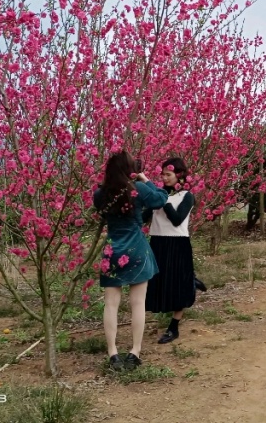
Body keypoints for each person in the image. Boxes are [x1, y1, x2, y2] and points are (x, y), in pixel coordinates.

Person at [94, 151, 168, 371]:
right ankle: (135, 351)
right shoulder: (138, 189)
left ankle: (113, 353)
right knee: (138, 304)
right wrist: (146, 179)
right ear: (130, 169)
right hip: (136, 249)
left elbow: (103, 212)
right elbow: (161, 199)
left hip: (112, 251)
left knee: (110, 304)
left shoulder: (100, 193)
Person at [144, 157, 197, 345]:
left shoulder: (186, 196)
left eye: (168, 174)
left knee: (178, 287)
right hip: (157, 242)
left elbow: (176, 219)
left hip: (178, 244)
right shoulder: (159, 194)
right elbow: (144, 218)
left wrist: (163, 199)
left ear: (179, 175)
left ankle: (173, 327)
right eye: (163, 175)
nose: (164, 178)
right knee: (156, 283)